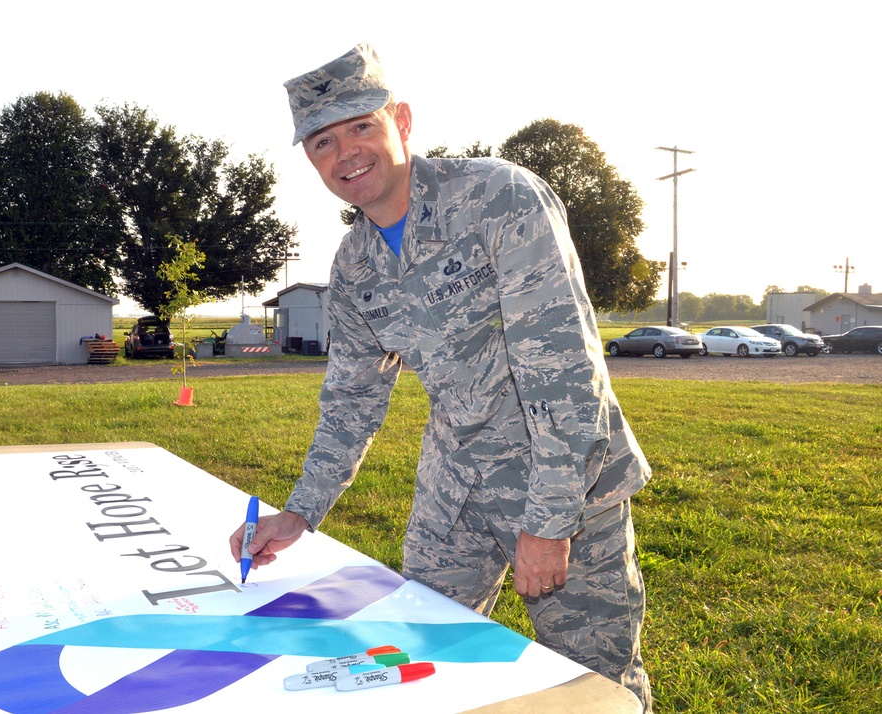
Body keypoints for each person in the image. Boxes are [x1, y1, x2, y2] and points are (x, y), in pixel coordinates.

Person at [230, 43, 653, 710]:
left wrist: (547, 523)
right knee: (417, 657)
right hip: (456, 485)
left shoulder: (499, 199)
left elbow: (565, 373)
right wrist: (301, 511)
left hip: (564, 486)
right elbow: (351, 399)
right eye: (321, 142)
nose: (345, 154)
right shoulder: (355, 267)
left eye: (361, 127)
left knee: (593, 686)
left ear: (400, 121)